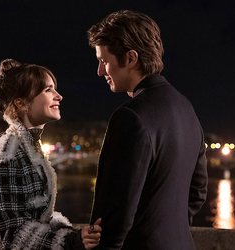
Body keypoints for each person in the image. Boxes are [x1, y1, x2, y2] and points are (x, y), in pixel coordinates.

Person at [87, 10, 208, 250]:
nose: (100, 71)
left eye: (104, 61)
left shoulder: (130, 116)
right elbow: (198, 191)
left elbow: (114, 213)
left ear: (131, 59)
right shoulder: (186, 107)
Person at [0, 59, 101, 250]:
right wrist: (70, 241)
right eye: (48, 90)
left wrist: (71, 235)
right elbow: (13, 235)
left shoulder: (27, 146)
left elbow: (35, 218)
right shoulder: (8, 154)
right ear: (22, 103)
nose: (59, 96)